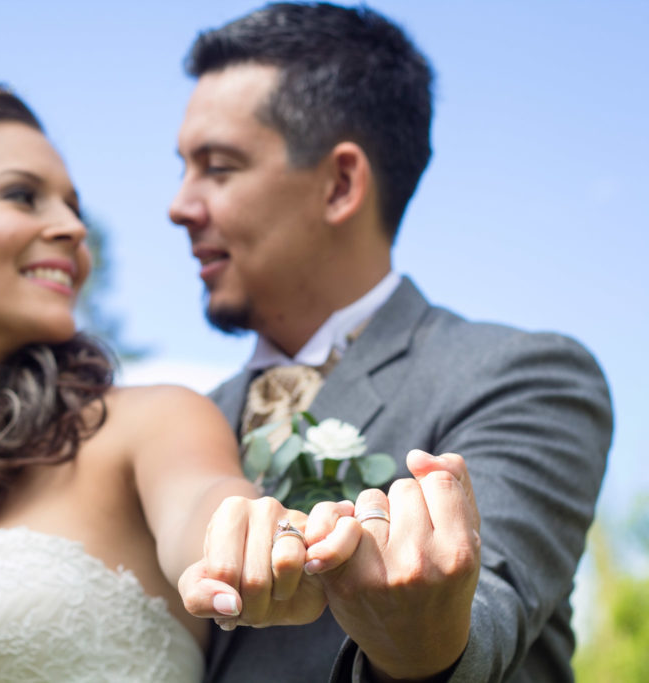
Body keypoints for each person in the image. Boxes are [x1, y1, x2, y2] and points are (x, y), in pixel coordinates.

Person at [0, 84, 361, 682]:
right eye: (22, 196)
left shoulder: (150, 425)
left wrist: (253, 538)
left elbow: (204, 509)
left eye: (73, 207)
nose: (72, 228)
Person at [169, 3, 613, 682]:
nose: (179, 205)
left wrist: (424, 642)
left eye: (219, 168)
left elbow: (489, 606)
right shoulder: (183, 424)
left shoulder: (522, 374)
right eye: (183, 168)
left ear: (341, 183)